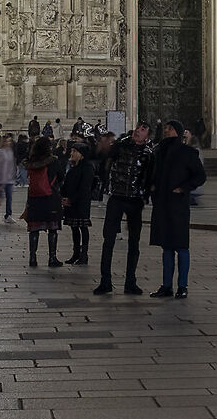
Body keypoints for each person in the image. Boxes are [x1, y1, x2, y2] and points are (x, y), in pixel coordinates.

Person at [148, 122, 205, 299]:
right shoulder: (158, 151)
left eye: (170, 129)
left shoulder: (187, 153)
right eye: (165, 129)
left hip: (178, 205)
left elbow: (200, 176)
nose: (166, 131)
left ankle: (182, 285)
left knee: (181, 247)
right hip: (162, 204)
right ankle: (166, 286)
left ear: (178, 132)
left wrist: (183, 188)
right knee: (166, 247)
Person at [95, 127, 152, 295]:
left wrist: (146, 195)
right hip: (117, 197)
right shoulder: (120, 145)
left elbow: (150, 175)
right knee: (108, 240)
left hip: (135, 200)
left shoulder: (149, 152)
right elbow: (104, 160)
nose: (138, 131)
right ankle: (105, 281)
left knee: (134, 243)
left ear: (147, 135)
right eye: (137, 128)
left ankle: (130, 282)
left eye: (143, 129)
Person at [23, 143, 62, 268]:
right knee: (52, 229)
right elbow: (61, 176)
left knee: (34, 229)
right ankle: (52, 258)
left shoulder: (31, 163)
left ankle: (32, 258)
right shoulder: (53, 161)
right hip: (51, 198)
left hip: (34, 198)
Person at [60, 140, 96, 264]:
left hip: (81, 203)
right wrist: (63, 196)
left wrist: (71, 199)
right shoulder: (73, 167)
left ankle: (84, 255)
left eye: (74, 151)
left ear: (81, 154)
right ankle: (76, 253)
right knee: (74, 228)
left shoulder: (87, 167)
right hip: (71, 203)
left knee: (83, 227)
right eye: (72, 151)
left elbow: (85, 188)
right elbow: (67, 184)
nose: (72, 153)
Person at [0, 134, 18, 224]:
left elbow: (12, 164)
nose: (8, 143)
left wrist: (14, 174)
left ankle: (8, 215)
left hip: (9, 178)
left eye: (9, 141)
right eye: (6, 141)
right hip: (0, 178)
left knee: (9, 197)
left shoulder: (10, 151)